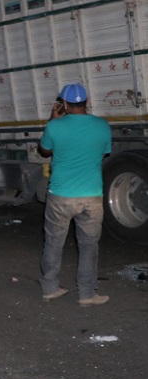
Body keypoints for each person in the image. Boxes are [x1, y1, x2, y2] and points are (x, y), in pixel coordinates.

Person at [37, 83, 112, 305]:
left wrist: (53, 120)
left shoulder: (56, 126)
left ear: (65, 104)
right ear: (87, 102)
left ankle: (50, 288)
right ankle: (87, 294)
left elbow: (44, 150)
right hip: (91, 196)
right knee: (89, 245)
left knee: (53, 242)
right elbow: (105, 152)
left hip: (60, 195)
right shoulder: (102, 125)